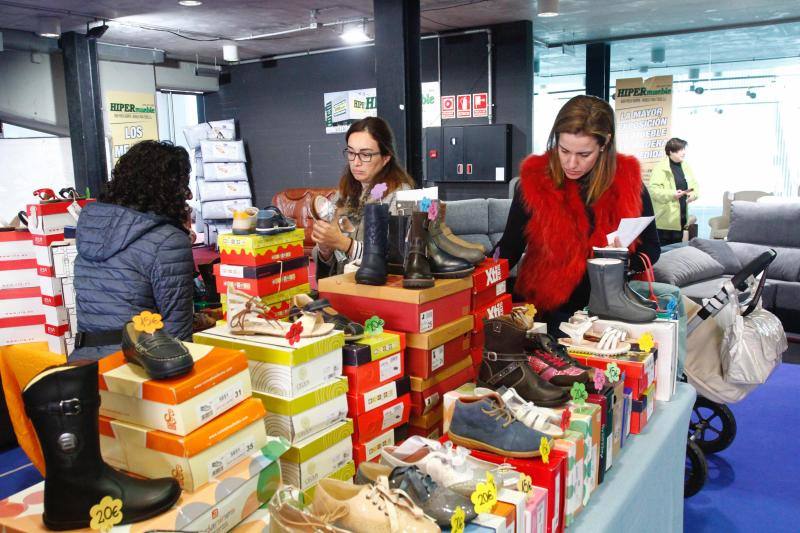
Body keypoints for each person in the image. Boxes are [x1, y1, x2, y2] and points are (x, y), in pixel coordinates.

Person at [496, 95, 661, 334]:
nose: (571, 163)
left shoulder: (629, 183)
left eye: (584, 154)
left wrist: (620, 262)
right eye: (564, 150)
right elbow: (508, 250)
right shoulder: (534, 182)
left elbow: (652, 249)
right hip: (544, 310)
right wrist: (476, 281)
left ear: (604, 144)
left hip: (606, 313)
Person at [71, 140, 195, 361]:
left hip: (85, 366)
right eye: (183, 184)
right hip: (138, 367)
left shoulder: (91, 230)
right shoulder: (169, 240)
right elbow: (178, 335)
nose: (189, 194)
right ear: (167, 187)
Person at [312, 116, 414, 279]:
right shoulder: (343, 194)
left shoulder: (403, 195)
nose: (356, 162)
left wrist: (344, 244)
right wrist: (325, 248)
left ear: (386, 157)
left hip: (378, 292)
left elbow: (399, 259)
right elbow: (328, 264)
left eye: (365, 155)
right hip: (342, 289)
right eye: (351, 153)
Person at [648, 137, 699, 245]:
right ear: (671, 151)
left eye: (684, 149)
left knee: (675, 254)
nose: (684, 152)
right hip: (665, 222)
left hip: (681, 219)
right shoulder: (660, 168)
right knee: (663, 255)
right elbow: (654, 190)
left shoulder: (685, 166)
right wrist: (672, 194)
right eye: (680, 150)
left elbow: (695, 185)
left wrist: (693, 194)